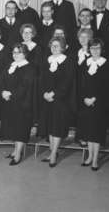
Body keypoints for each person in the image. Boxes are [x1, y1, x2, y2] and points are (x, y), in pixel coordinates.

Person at [38, 36, 76, 167]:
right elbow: (41, 79)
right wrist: (44, 93)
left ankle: (54, 153)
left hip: (61, 100)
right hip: (47, 99)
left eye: (57, 46)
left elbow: (67, 82)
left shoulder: (68, 62)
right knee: (50, 125)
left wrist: (54, 93)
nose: (54, 48)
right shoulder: (46, 60)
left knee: (57, 127)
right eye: (52, 45)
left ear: (63, 48)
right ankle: (51, 151)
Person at [76, 39, 109, 171]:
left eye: (97, 48)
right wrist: (85, 98)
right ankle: (90, 157)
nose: (95, 51)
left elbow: (106, 86)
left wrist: (94, 98)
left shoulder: (106, 64)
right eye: (92, 48)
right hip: (86, 102)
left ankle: (95, 159)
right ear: (89, 49)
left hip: (99, 103)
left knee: (96, 132)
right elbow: (81, 83)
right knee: (89, 131)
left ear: (101, 49)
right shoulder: (85, 63)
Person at [0, 43, 36, 165]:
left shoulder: (29, 68)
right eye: (14, 52)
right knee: (14, 128)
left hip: (23, 103)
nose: (16, 55)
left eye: (19, 52)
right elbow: (2, 80)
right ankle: (15, 151)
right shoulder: (10, 66)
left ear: (24, 54)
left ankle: (18, 154)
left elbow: (25, 86)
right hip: (10, 103)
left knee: (20, 129)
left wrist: (10, 94)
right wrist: (3, 91)